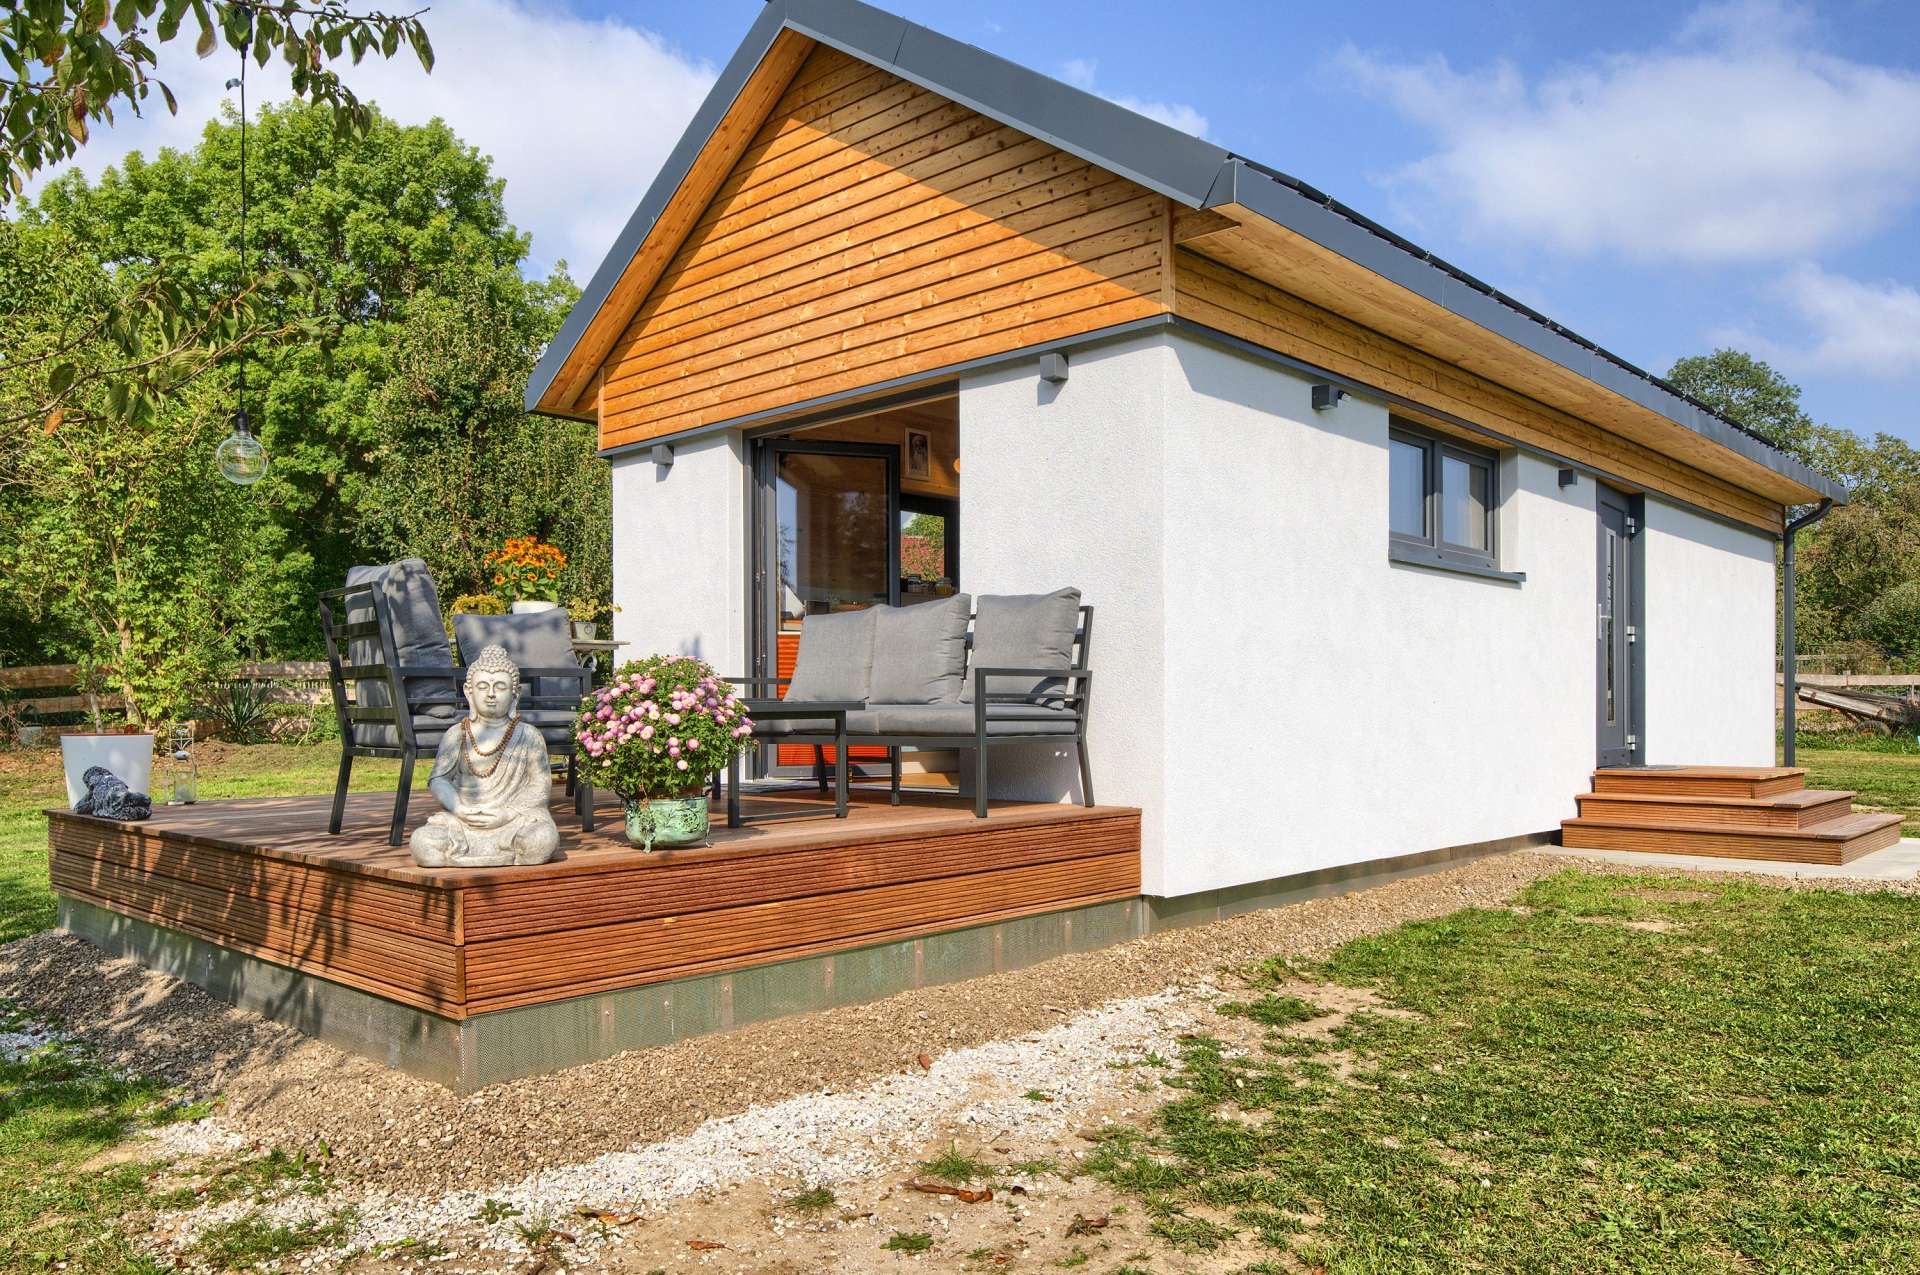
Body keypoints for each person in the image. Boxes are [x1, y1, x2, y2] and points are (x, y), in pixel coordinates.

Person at [409, 644, 560, 868]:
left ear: (515, 694)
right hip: (464, 821)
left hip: (512, 821)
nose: (491, 694)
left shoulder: (529, 735)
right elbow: (439, 779)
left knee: (541, 838)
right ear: (469, 692)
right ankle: (470, 848)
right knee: (422, 842)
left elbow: (540, 786)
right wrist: (459, 808)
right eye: (482, 686)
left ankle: (509, 848)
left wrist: (507, 814)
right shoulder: (457, 734)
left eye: (500, 686)